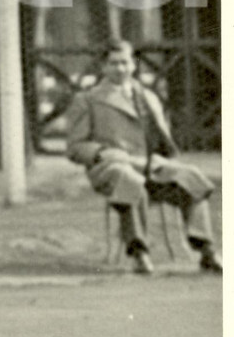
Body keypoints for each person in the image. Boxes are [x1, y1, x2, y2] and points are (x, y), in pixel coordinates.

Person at [66, 39, 222, 276]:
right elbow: (75, 147)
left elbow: (163, 141)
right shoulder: (87, 99)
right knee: (129, 180)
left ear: (135, 65)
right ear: (103, 67)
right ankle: (139, 252)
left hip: (150, 165)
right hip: (111, 167)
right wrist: (101, 152)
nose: (120, 69)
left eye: (125, 63)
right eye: (113, 63)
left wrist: (163, 160)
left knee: (190, 176)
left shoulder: (149, 97)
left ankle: (206, 251)